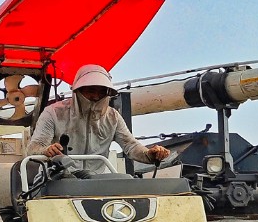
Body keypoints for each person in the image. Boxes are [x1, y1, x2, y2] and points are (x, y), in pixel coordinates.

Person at [25, 65, 171, 170]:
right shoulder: (53, 113)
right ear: (77, 91)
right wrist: (46, 151)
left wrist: (150, 154)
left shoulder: (113, 117)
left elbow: (131, 146)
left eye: (102, 92)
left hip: (96, 183)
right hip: (56, 179)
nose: (96, 96)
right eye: (90, 91)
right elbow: (34, 147)